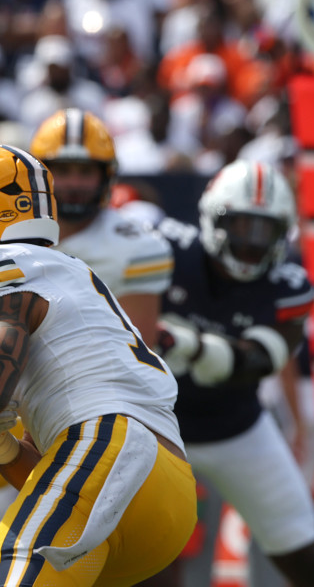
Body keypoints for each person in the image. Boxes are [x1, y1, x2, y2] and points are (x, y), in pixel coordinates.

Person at [0, 144, 195, 582]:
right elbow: (44, 470)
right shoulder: (62, 273)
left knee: (16, 562)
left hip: (113, 449)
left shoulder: (15, 263)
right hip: (160, 498)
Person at [152, 161, 314, 587]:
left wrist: (193, 345)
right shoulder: (166, 250)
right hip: (156, 428)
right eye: (241, 227)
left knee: (302, 553)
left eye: (264, 231)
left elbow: (257, 361)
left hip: (236, 429)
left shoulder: (289, 284)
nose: (252, 243)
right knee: (145, 554)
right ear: (213, 220)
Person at [30, 109, 173, 346]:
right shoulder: (12, 231)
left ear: (107, 177)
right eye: (63, 171)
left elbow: (136, 354)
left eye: (85, 172)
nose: (74, 184)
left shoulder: (138, 248)